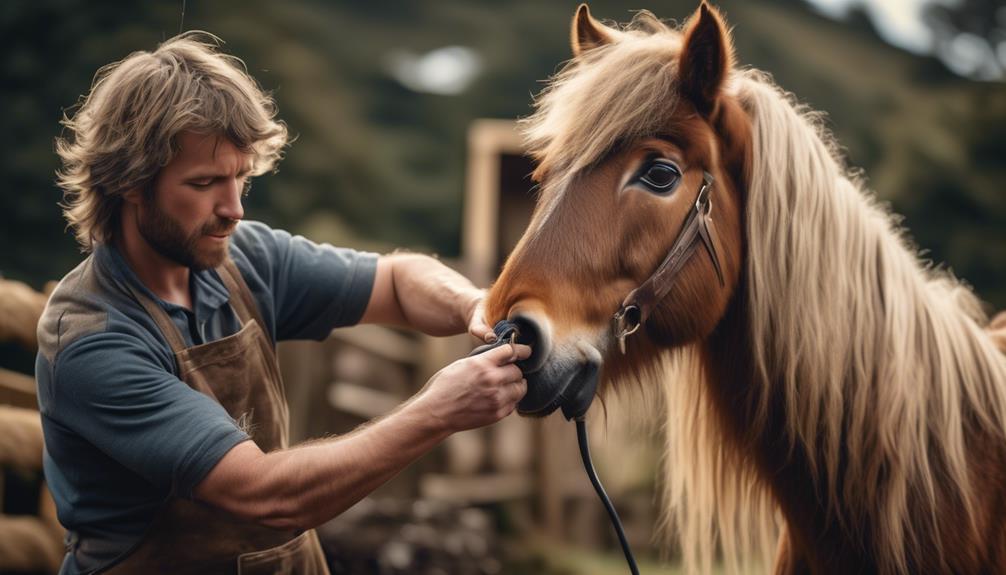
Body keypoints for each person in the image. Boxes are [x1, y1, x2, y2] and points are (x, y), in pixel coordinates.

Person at [37, 32, 530, 574]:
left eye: (241, 179)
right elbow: (265, 496)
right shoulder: (92, 338)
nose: (234, 209)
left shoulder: (243, 256)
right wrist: (436, 412)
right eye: (204, 183)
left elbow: (396, 281)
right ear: (130, 183)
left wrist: (473, 306)